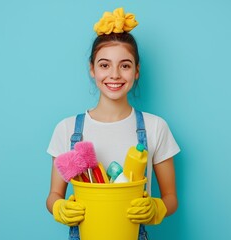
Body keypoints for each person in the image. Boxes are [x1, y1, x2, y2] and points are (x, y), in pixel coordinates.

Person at [46, 7, 181, 240]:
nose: (115, 75)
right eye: (105, 65)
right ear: (92, 69)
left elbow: (171, 198)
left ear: (137, 71)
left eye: (125, 65)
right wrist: (59, 208)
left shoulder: (156, 127)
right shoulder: (67, 129)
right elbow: (54, 196)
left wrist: (156, 208)